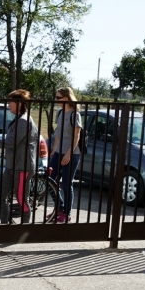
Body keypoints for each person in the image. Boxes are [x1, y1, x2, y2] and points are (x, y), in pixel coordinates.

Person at [0, 90, 40, 224]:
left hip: (22, 167)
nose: (8, 105)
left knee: (21, 200)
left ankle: (24, 228)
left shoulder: (24, 121)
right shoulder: (18, 120)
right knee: (0, 197)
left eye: (11, 102)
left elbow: (11, 141)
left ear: (19, 104)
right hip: (11, 166)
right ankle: (5, 225)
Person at [50, 87, 82, 223]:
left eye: (58, 98)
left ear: (66, 98)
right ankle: (59, 207)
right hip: (58, 152)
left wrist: (68, 154)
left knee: (66, 184)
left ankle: (66, 213)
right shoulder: (60, 112)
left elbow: (77, 136)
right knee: (49, 179)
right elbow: (58, 134)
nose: (56, 100)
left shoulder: (75, 115)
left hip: (72, 153)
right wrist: (53, 150)